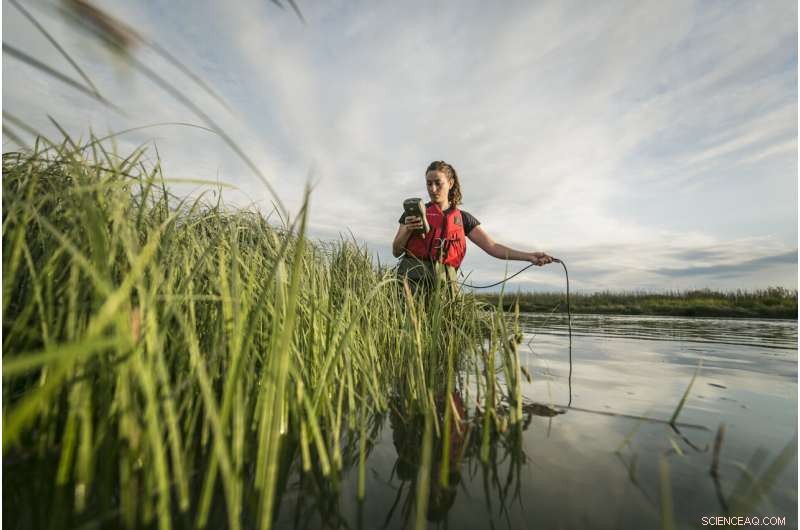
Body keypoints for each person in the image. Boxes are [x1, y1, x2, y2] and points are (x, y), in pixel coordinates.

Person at [392, 160, 554, 293]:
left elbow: (493, 247)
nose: (433, 189)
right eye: (429, 184)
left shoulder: (464, 219)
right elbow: (396, 251)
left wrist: (530, 257)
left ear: (450, 183)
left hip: (445, 287)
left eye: (438, 183)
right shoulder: (412, 214)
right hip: (411, 283)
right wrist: (407, 230)